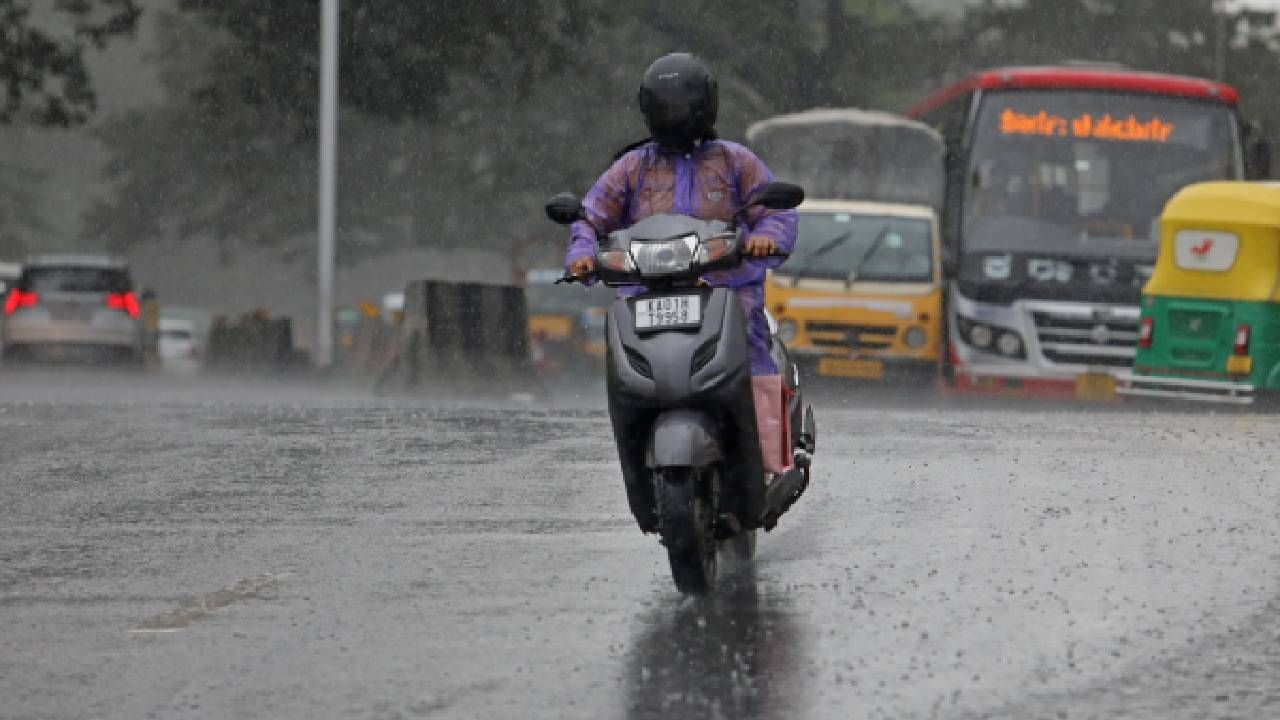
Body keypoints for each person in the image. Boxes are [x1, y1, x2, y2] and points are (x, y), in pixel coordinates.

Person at [564, 52, 798, 378]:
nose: (672, 116)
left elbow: (775, 211)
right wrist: (582, 254)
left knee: (751, 353)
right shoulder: (633, 165)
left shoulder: (735, 161)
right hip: (645, 292)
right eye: (664, 109)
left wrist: (766, 239)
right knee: (625, 363)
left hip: (726, 289)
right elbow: (591, 215)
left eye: (679, 108)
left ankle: (765, 425)